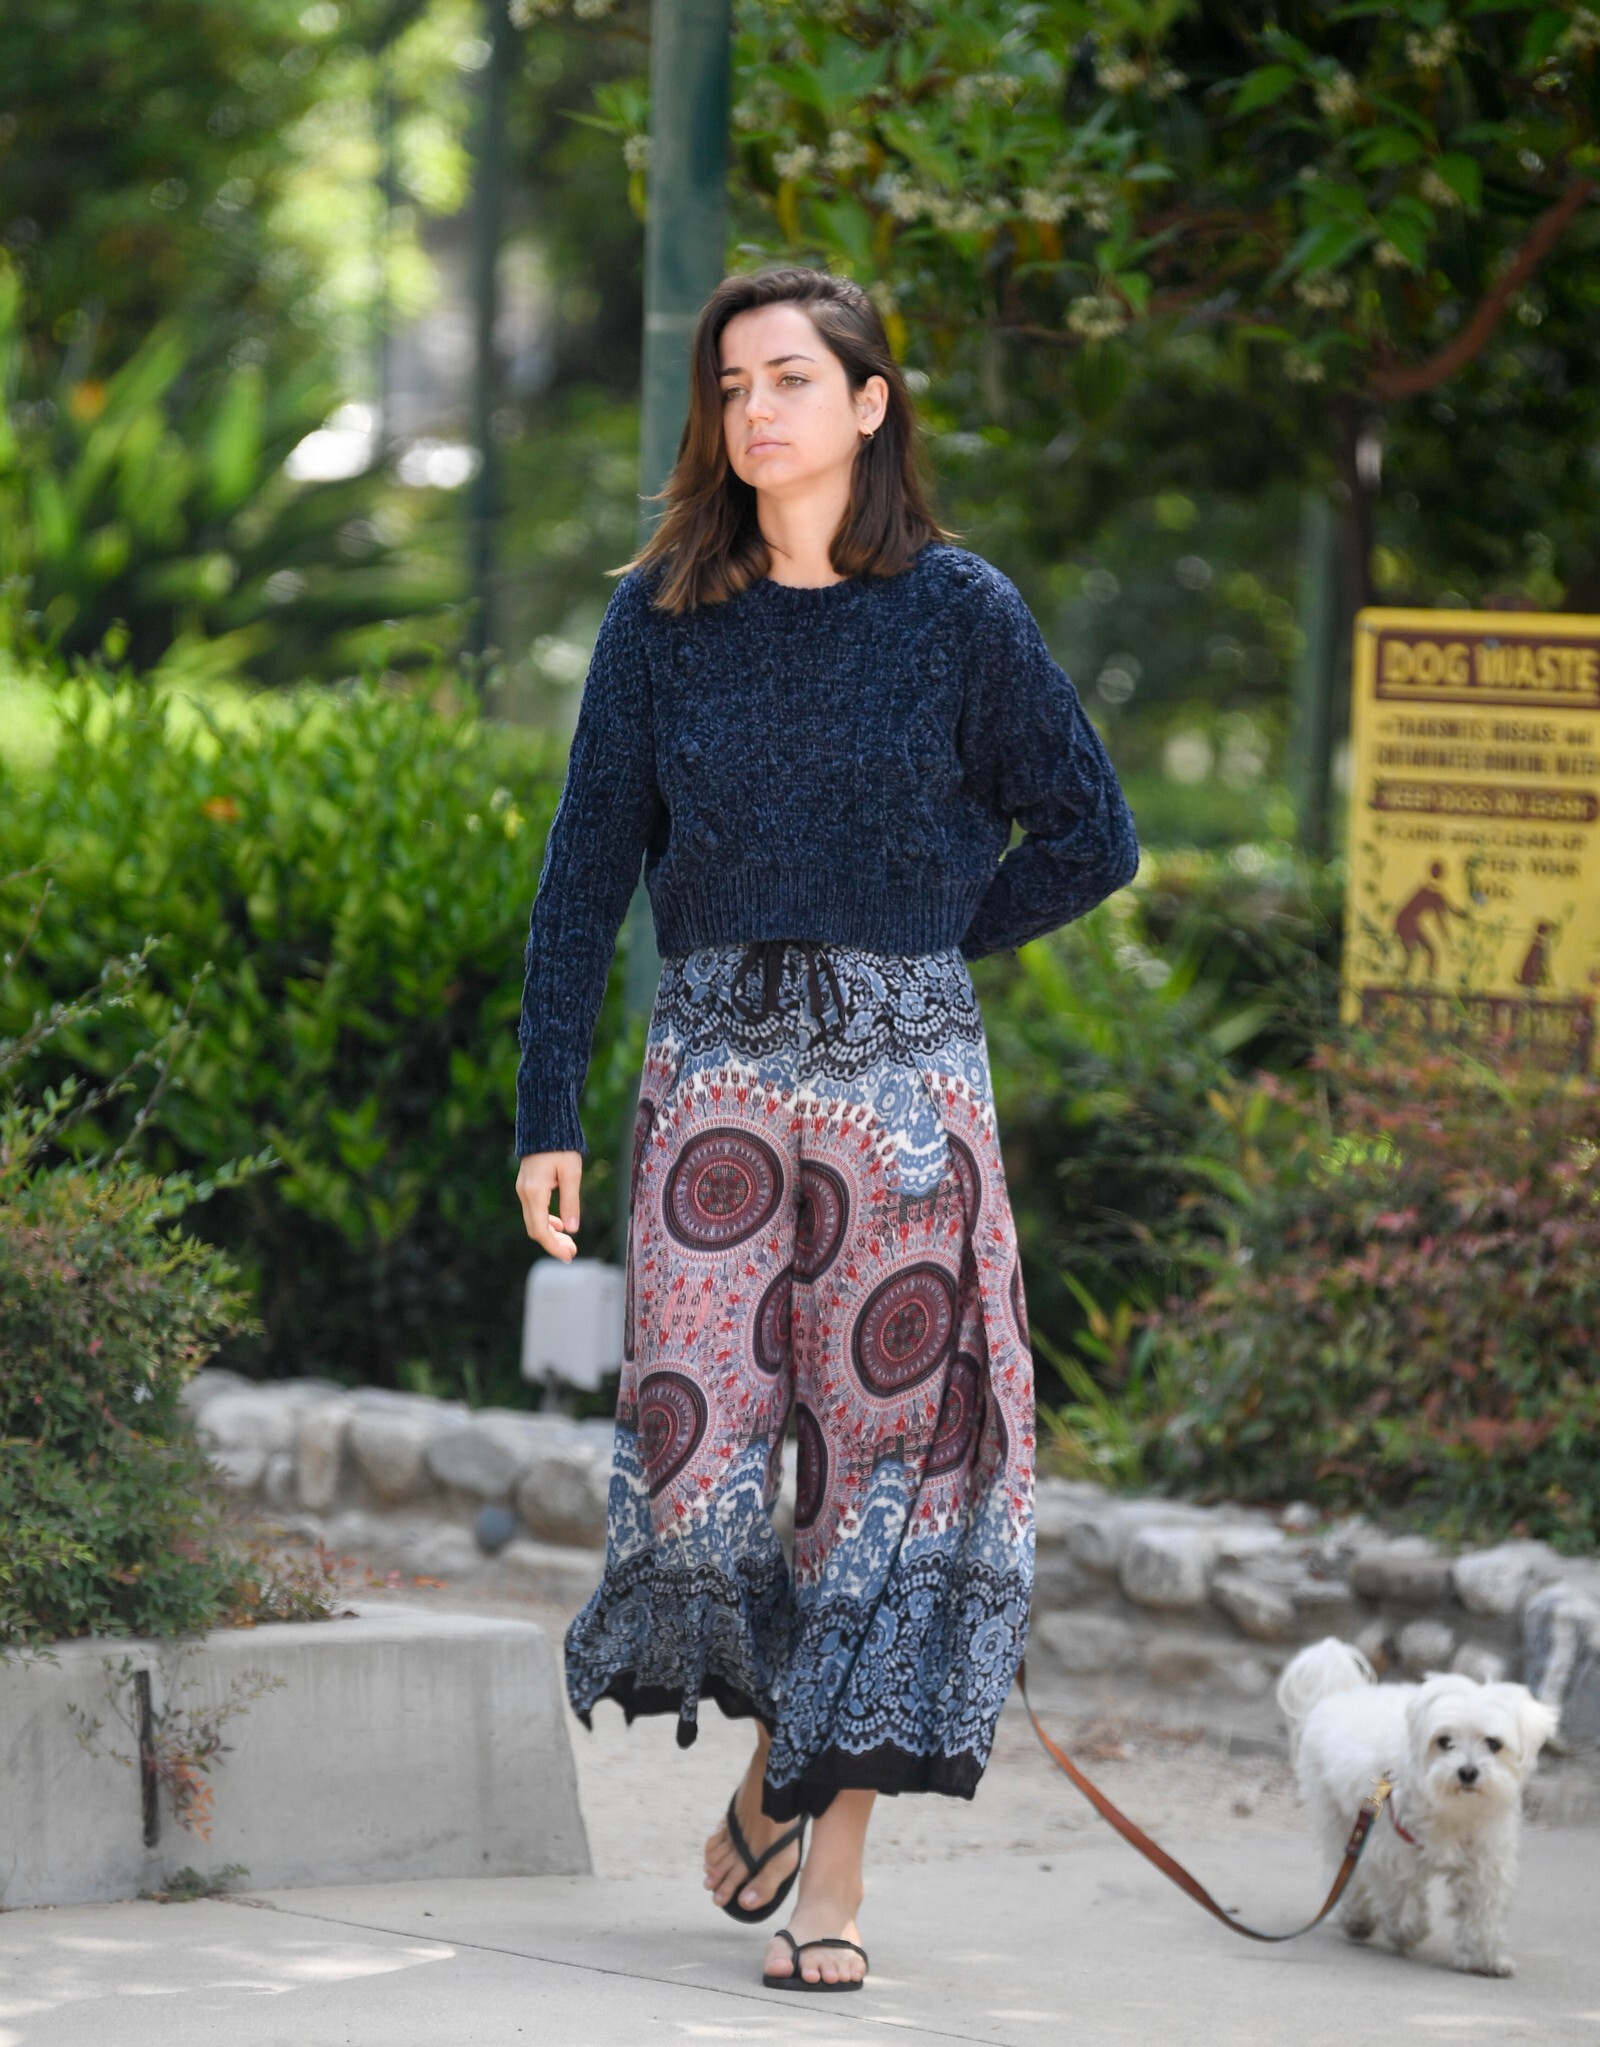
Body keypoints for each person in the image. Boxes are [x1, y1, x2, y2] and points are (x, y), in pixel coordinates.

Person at [513, 265, 1139, 1992]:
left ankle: (832, 1875)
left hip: (905, 1114)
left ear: (871, 404)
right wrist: (545, 1112)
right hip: (710, 1099)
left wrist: (929, 942)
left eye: (792, 377)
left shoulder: (959, 613)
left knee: (885, 1473)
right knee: (698, 1463)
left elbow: (1092, 830)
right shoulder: (658, 621)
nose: (757, 410)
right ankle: (786, 1750)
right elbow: (582, 879)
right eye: (732, 386)